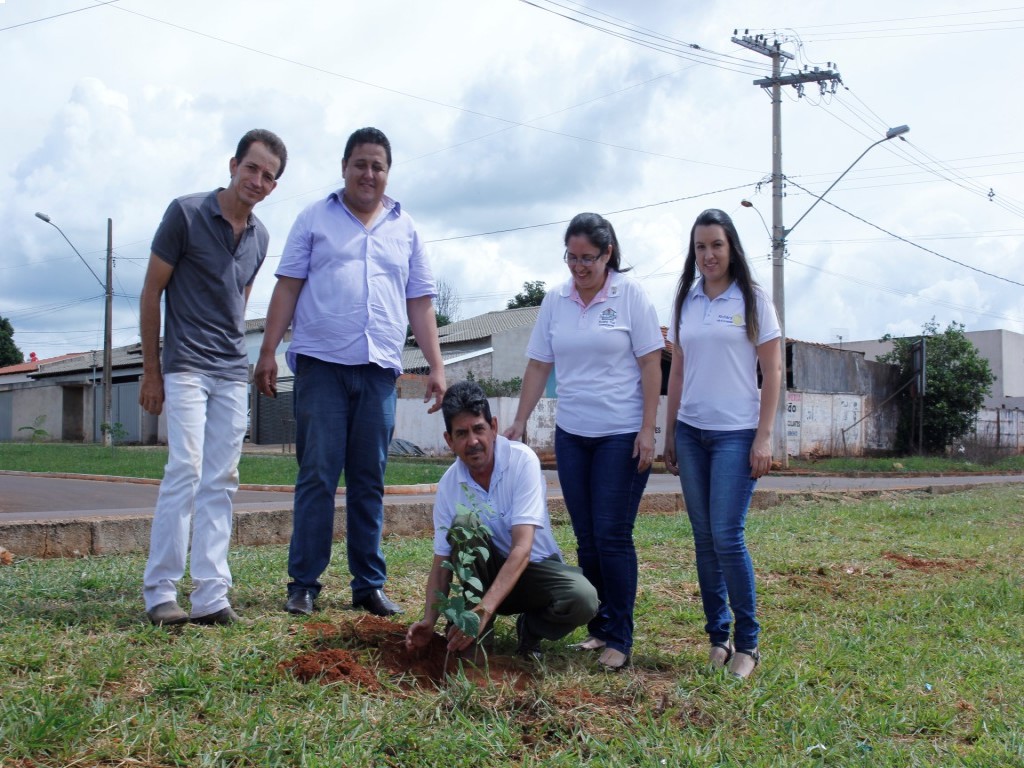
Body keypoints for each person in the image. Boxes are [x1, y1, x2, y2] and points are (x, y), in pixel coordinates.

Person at [255, 127, 445, 619]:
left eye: (378, 166)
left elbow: (420, 302)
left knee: (369, 480)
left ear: (388, 173)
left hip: (378, 372)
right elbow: (287, 287)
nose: (368, 174)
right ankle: (303, 584)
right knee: (317, 475)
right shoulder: (313, 218)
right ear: (344, 167)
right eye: (360, 164)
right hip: (321, 368)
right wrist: (268, 351)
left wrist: (436, 366)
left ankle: (369, 585)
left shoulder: (406, 229)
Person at [140, 129, 288, 626]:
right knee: (185, 468)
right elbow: (151, 293)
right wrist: (152, 372)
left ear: (273, 186)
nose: (257, 180)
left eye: (268, 176)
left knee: (223, 479)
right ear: (233, 165)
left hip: (229, 371)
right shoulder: (184, 213)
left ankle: (210, 595)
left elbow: (238, 300)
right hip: (184, 364)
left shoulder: (260, 238)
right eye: (252, 168)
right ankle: (161, 592)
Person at [504, 212, 663, 670]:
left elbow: (651, 364)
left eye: (588, 258)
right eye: (571, 258)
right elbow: (539, 364)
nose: (579, 267)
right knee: (587, 538)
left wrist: (648, 428)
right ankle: (599, 628)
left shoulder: (630, 295)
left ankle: (620, 638)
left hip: (621, 434)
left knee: (612, 536)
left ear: (608, 253)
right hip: (573, 435)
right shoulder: (556, 300)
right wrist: (519, 421)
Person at [663, 208, 782, 679]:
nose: (708, 254)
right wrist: (669, 431)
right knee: (704, 539)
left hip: (736, 434)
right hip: (691, 433)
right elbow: (677, 372)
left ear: (731, 247)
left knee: (727, 536)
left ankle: (748, 645)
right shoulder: (686, 300)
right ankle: (719, 638)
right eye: (700, 247)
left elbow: (772, 371)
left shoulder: (753, 299)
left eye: (716, 244)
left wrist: (764, 436)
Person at [405, 381, 598, 661]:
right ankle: (476, 634)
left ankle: (531, 629)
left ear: (493, 427)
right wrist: (428, 620)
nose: (473, 441)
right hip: (484, 578)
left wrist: (485, 609)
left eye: (479, 429)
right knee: (463, 527)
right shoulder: (449, 485)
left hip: (534, 572)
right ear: (449, 440)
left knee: (582, 598)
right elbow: (441, 563)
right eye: (462, 433)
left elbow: (522, 548)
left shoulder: (521, 461)